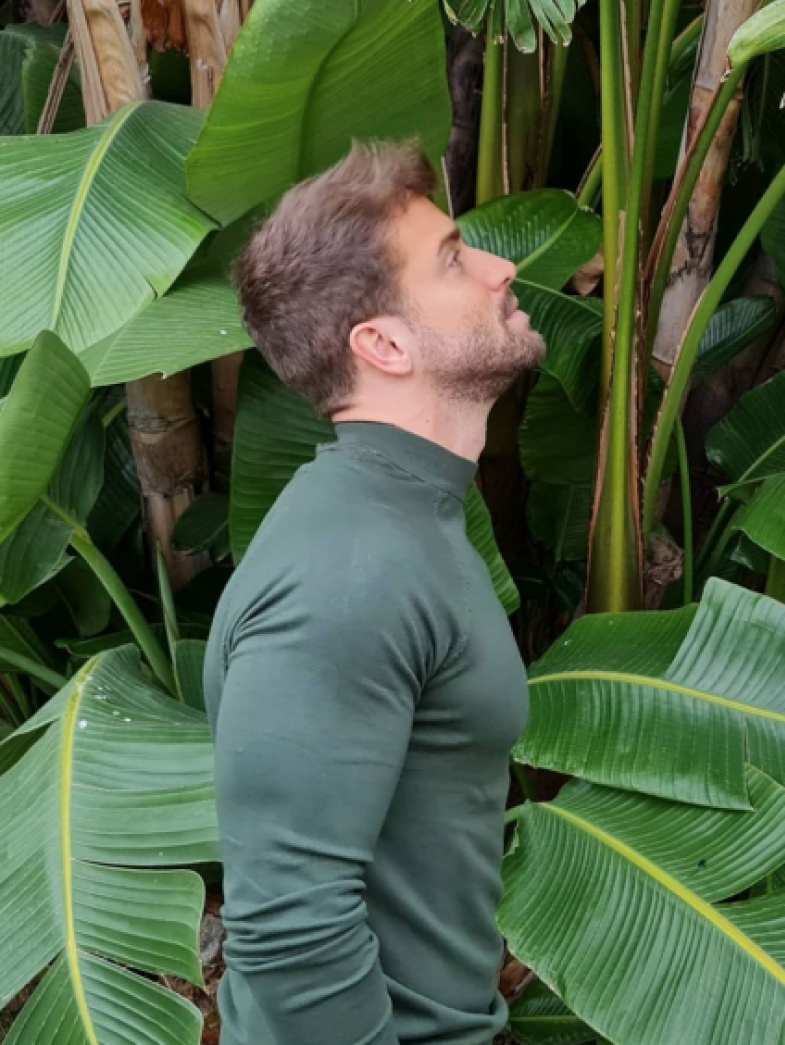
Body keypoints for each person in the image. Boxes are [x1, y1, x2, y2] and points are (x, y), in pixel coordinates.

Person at [203, 139, 546, 1045]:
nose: (500, 266)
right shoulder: (349, 573)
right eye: (454, 259)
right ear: (384, 344)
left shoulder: (411, 514)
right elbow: (288, 933)